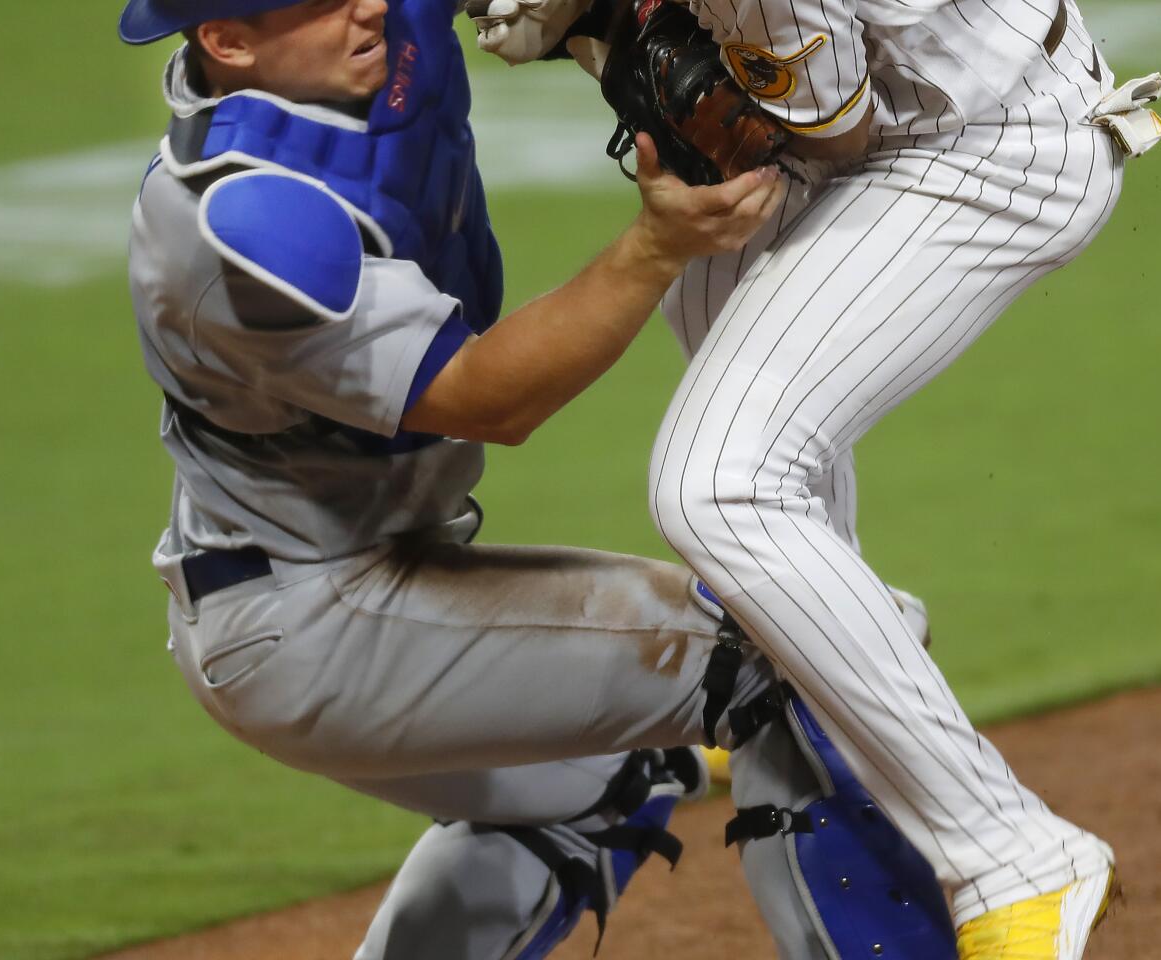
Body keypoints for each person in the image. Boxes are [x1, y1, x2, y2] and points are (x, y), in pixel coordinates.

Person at [120, 1, 970, 958]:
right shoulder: (241, 233)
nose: (363, 5)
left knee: (601, 783)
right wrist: (654, 248)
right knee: (793, 654)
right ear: (226, 41)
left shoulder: (371, 37)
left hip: (355, 573)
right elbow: (485, 400)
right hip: (309, 624)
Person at [472, 0, 1161, 955]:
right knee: (749, 441)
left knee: (722, 482)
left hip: (984, 142)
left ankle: (1015, 857)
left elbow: (831, 127)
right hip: (860, 125)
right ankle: (828, 664)